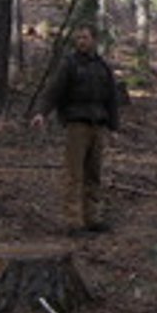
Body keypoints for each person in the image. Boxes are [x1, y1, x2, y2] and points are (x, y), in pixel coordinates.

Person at [31, 25, 120, 234]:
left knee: (94, 174)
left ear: (94, 40)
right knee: (74, 174)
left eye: (85, 37)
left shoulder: (102, 67)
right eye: (78, 37)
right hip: (76, 125)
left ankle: (93, 217)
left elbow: (112, 99)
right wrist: (41, 113)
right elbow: (53, 91)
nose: (81, 41)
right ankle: (73, 221)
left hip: (98, 125)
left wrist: (114, 127)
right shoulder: (69, 65)